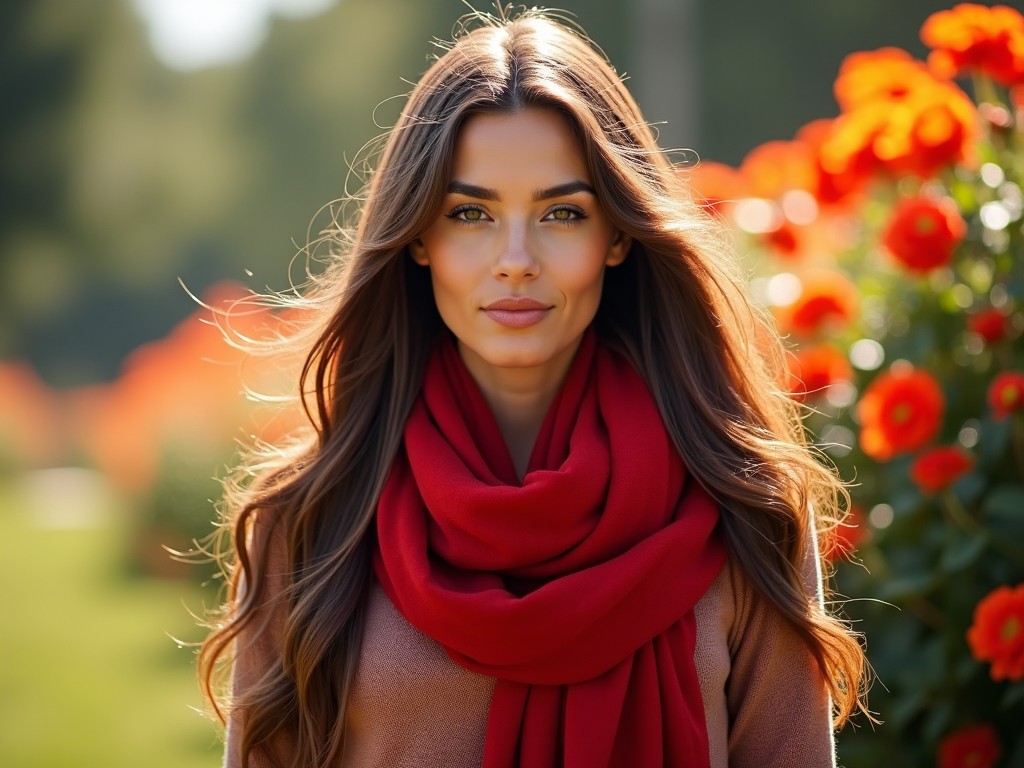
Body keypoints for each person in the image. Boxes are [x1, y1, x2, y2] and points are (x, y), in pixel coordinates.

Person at [199, 7, 869, 767]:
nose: (515, 259)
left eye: (561, 213)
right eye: (471, 214)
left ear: (616, 234)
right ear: (420, 236)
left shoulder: (742, 506)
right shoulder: (315, 515)